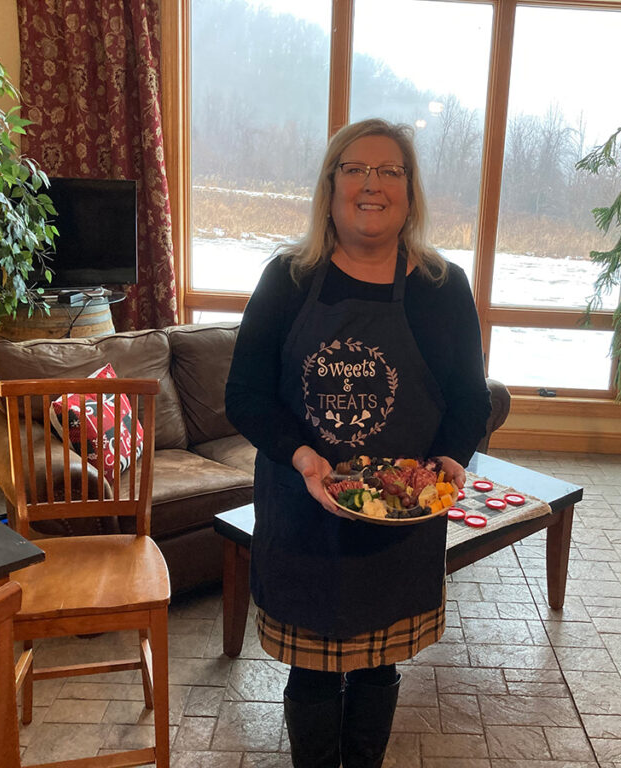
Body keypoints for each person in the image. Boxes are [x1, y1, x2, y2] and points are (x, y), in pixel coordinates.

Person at [225, 118, 490, 768]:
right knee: (311, 672)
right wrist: (304, 456)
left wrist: (451, 460)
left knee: (378, 668)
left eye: (389, 171)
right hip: (302, 515)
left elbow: (470, 398)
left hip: (399, 524)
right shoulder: (287, 279)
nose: (372, 184)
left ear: (409, 190)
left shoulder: (442, 288)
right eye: (355, 169)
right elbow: (246, 395)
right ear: (332, 184)